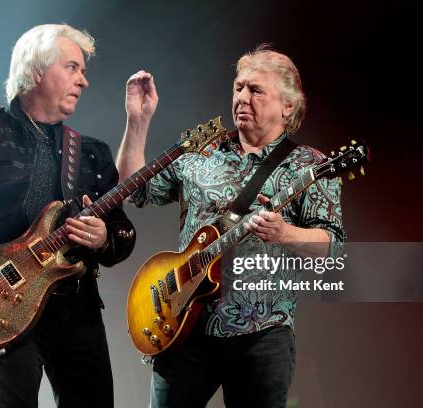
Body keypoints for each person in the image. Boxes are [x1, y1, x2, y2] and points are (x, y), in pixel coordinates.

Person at [116, 45, 346, 407]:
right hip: (185, 324)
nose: (242, 97)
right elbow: (133, 190)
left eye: (256, 90)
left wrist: (286, 234)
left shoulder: (308, 165)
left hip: (263, 333)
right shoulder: (201, 152)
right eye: (239, 87)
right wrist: (137, 121)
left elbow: (333, 246)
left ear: (288, 106)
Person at [0, 24, 136, 408]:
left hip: (77, 307)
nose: (83, 81)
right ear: (37, 70)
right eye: (73, 67)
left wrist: (104, 236)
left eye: (84, 72)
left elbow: (122, 234)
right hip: (5, 303)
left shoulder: (91, 152)